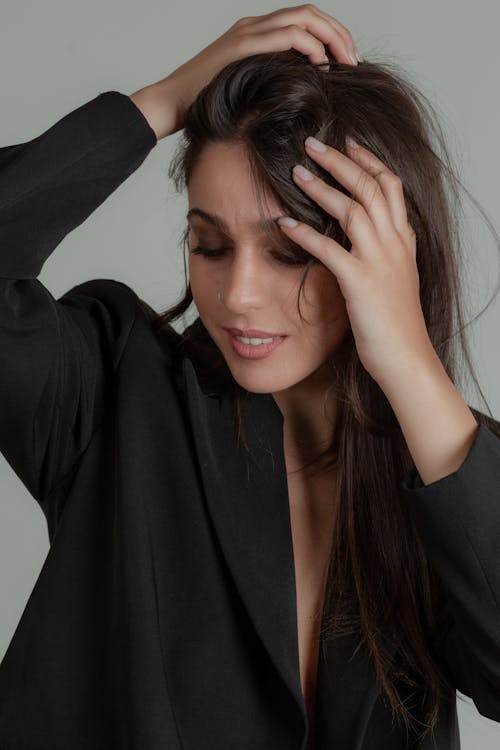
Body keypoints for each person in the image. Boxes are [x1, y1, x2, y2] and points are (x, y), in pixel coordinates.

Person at [0, 4, 499, 749]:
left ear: (385, 255)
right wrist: (163, 102)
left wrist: (408, 363)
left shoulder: (442, 473)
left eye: (291, 253)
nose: (237, 295)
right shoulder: (112, 389)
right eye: (209, 244)